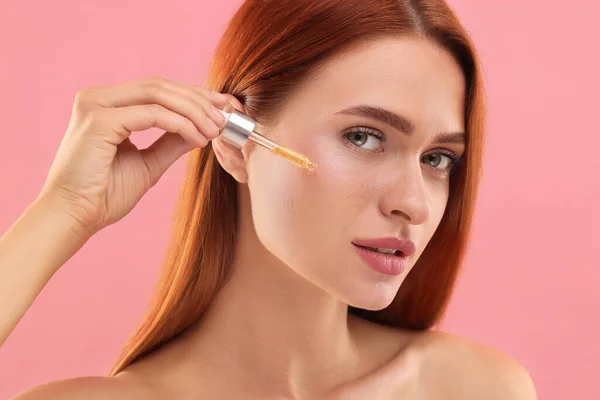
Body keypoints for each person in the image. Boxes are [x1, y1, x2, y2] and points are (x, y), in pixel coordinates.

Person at [1, 0, 537, 398]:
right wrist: (65, 209)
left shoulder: (474, 388)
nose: (414, 205)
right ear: (237, 146)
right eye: (363, 137)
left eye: (437, 159)